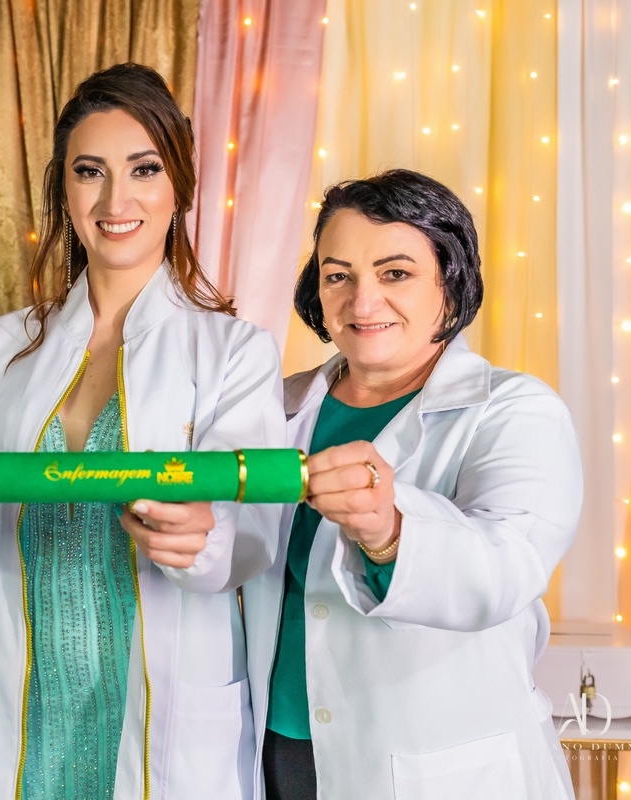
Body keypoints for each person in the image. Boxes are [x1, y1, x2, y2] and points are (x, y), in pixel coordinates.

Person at [0, 63, 285, 800]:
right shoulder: (1, 347)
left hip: (163, 708)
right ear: (63, 191)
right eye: (89, 171)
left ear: (179, 187)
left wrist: (202, 538)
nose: (115, 200)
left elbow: (256, 531)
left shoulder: (234, 352)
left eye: (144, 169)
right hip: (14, 704)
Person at [244, 169, 581, 799]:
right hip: (277, 749)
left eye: (395, 273)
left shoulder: (515, 410)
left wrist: (389, 530)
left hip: (430, 764)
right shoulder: (272, 407)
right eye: (338, 276)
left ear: (451, 284)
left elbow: (505, 571)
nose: (362, 301)